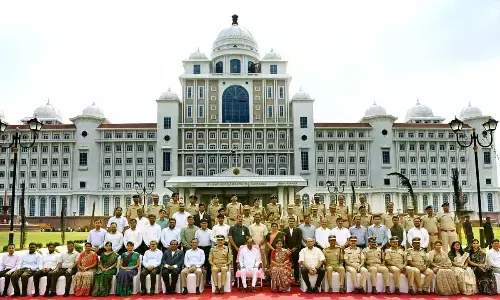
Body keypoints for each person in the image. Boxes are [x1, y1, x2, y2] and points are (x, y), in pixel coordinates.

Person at [283, 217, 302, 282]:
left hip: (296, 250)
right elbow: (284, 241)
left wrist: (295, 248)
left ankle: (297, 278)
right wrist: (287, 248)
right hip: (287, 250)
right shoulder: (285, 230)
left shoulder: (298, 230)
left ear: (295, 222)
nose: (291, 222)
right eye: (290, 221)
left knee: (296, 264)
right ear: (288, 222)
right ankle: (287, 278)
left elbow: (299, 241)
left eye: (292, 221)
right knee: (287, 264)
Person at [195, 219, 212, 284]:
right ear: (200, 224)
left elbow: (212, 241)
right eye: (202, 223)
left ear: (207, 224)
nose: (204, 224)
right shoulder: (197, 231)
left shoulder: (210, 231)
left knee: (209, 265)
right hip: (200, 248)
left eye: (205, 223)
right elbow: (196, 240)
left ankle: (208, 280)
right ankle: (200, 280)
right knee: (200, 264)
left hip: (208, 248)